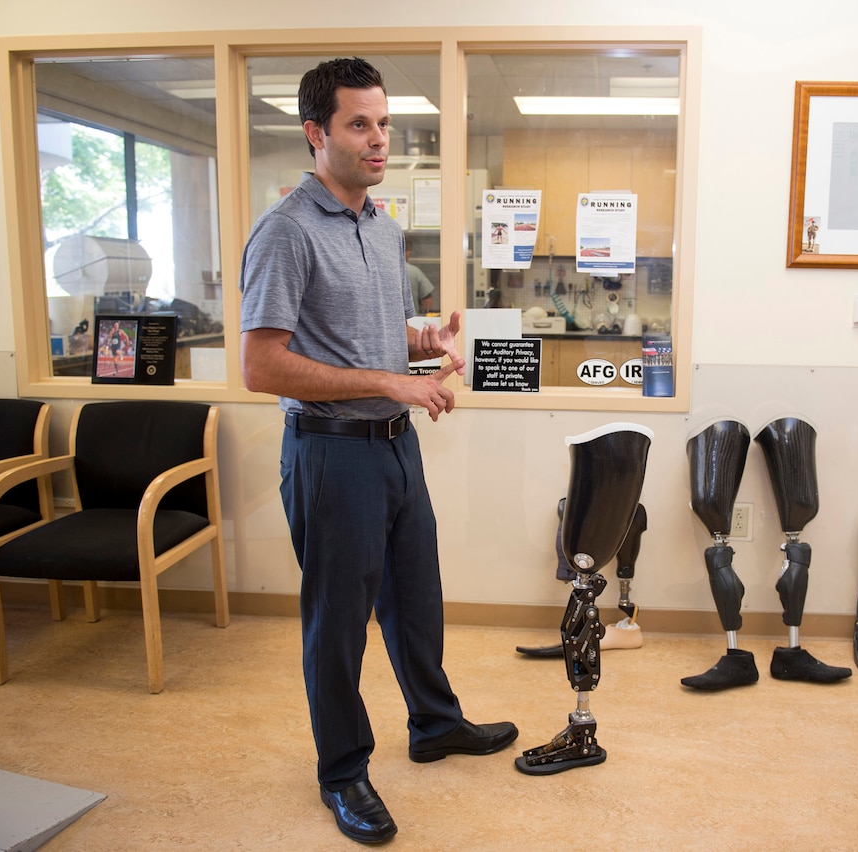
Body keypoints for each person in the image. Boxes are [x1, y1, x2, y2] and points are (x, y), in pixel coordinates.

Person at [239, 56, 517, 846]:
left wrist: (419, 345)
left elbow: (372, 338)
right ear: (315, 134)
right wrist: (389, 383)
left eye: (384, 122)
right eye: (359, 123)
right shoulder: (286, 232)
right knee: (339, 621)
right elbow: (262, 365)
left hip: (395, 450)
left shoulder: (382, 224)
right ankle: (343, 772)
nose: (378, 138)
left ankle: (433, 724)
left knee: (416, 600)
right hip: (331, 455)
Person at [406, 244, 434, 313]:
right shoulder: (414, 272)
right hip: (412, 320)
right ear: (408, 252)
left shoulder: (381, 271)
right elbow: (428, 303)